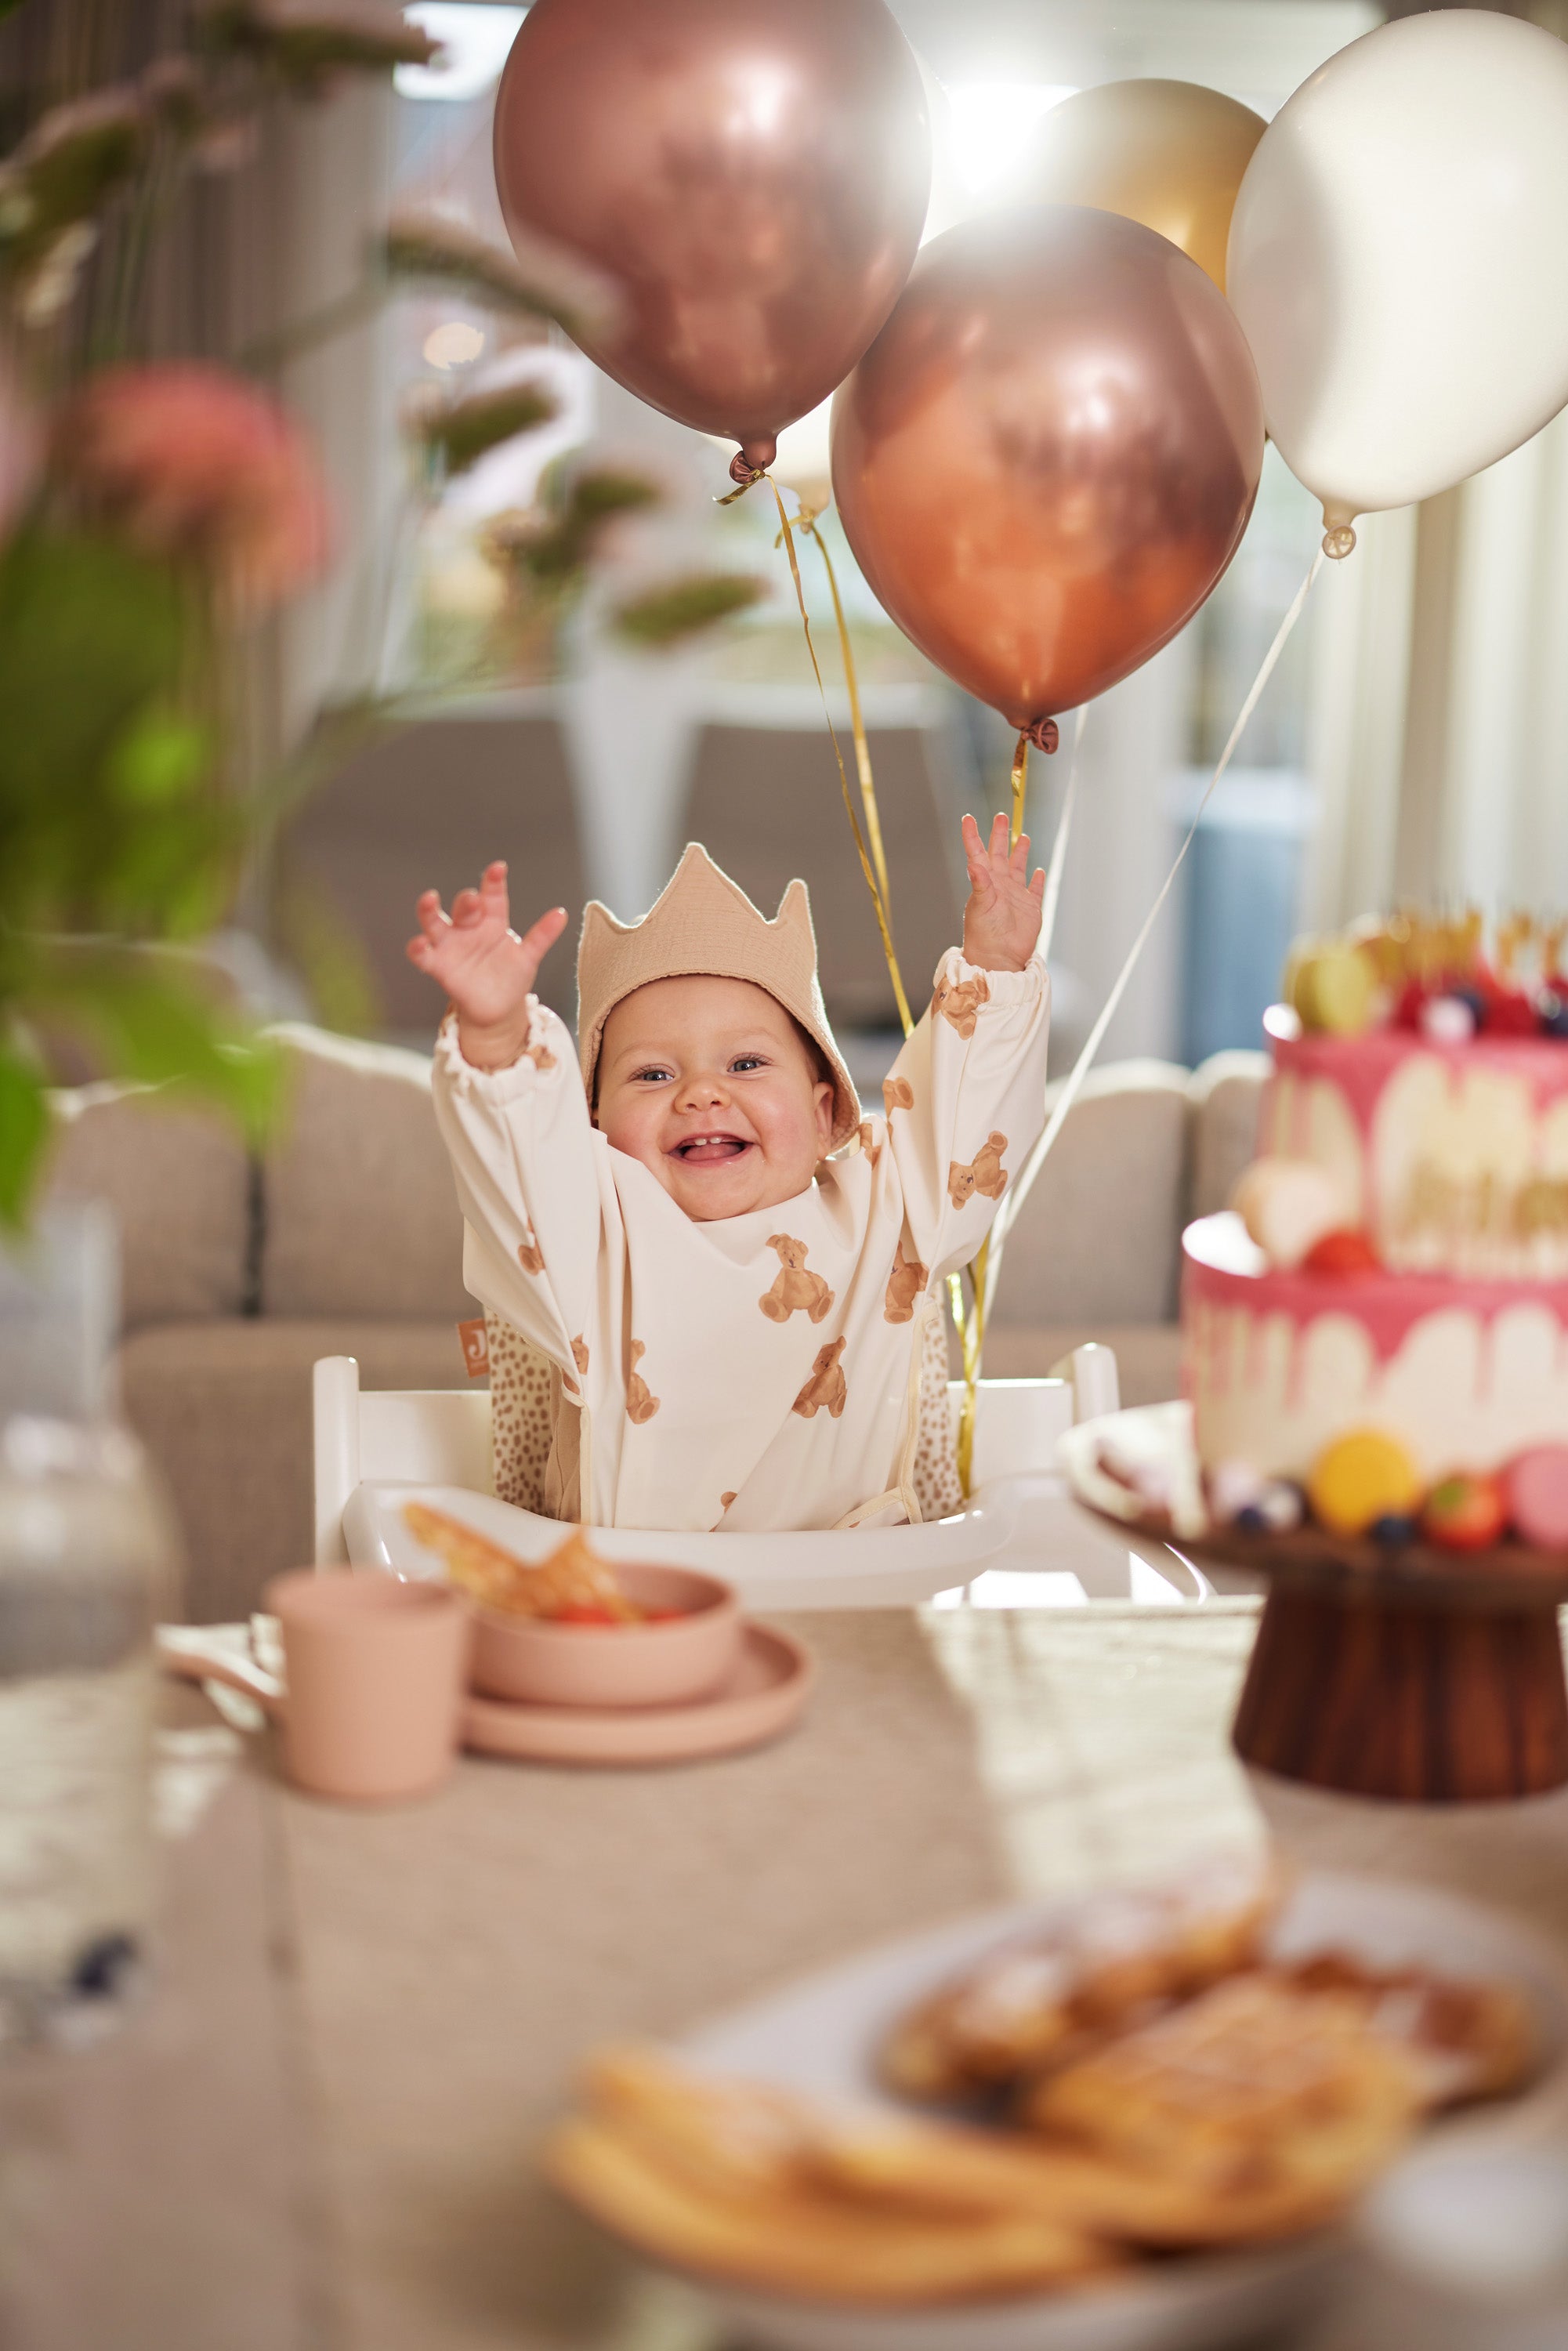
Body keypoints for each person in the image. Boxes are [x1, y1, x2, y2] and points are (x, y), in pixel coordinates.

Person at [410, 815, 1049, 1532]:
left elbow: (964, 1135)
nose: (701, 1094)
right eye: (652, 1074)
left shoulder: (885, 1213)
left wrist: (992, 970)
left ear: (825, 1112)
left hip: (851, 1591)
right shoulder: (589, 1238)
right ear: (591, 1130)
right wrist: (496, 1042)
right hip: (641, 1606)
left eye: (745, 1064)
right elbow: (520, 1176)